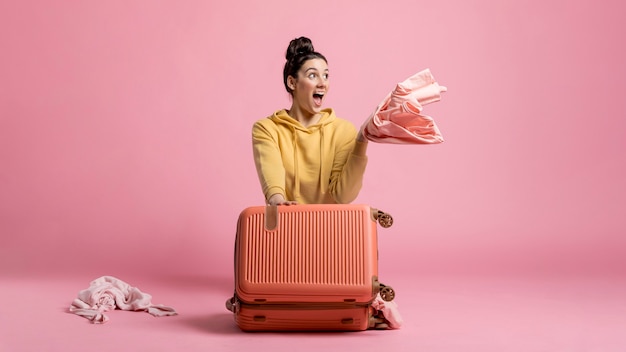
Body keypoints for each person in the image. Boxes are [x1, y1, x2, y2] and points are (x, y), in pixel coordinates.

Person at [252, 36, 368, 206]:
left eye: (326, 75)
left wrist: (362, 141)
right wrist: (277, 200)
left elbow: (343, 196)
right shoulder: (267, 128)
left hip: (332, 228)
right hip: (288, 224)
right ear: (292, 82)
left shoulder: (343, 130)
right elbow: (272, 174)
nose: (323, 83)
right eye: (313, 75)